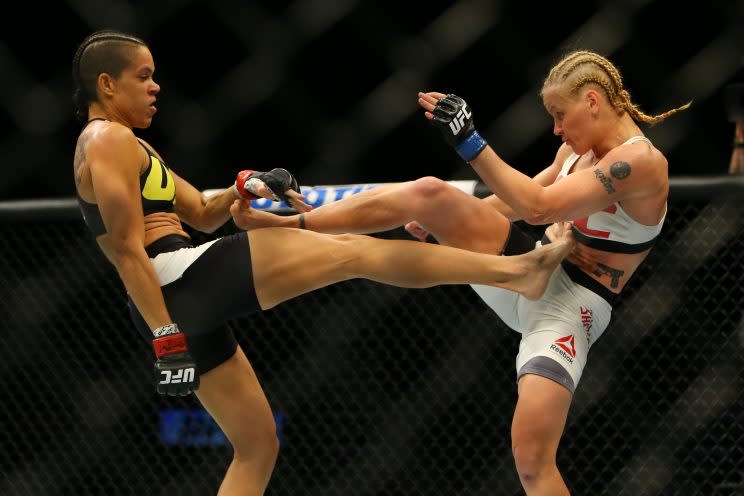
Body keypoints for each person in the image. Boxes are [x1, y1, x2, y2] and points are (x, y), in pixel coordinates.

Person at [71, 29, 574, 496]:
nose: (156, 87)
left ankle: (518, 273)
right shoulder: (106, 139)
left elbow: (202, 215)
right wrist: (167, 340)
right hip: (173, 282)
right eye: (144, 77)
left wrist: (244, 183)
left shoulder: (131, 143)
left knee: (257, 448)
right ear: (106, 84)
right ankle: (516, 272)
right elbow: (125, 248)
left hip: (174, 290)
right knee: (355, 252)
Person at [232, 50, 691, 495]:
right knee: (430, 194)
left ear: (592, 101)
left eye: (559, 114)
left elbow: (537, 208)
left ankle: (520, 270)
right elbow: (519, 200)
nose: (555, 128)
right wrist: (447, 219)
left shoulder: (640, 163)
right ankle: (291, 223)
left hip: (571, 308)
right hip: (525, 266)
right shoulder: (575, 154)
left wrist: (471, 142)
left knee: (532, 460)